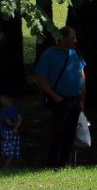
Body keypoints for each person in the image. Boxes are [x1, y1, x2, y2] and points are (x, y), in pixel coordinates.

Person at [33, 26, 86, 168]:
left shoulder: (75, 53)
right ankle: (53, 162)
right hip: (59, 100)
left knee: (71, 132)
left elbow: (82, 75)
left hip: (75, 99)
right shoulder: (49, 54)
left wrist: (82, 99)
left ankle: (64, 162)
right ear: (63, 38)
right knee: (58, 131)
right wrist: (54, 96)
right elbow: (40, 77)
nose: (75, 40)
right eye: (72, 38)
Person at [0, 95, 21, 170]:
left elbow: (8, 122)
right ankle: (12, 167)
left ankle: (6, 167)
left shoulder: (6, 110)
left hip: (7, 132)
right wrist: (16, 127)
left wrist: (13, 125)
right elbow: (20, 119)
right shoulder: (15, 108)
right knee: (15, 149)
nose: (1, 100)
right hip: (15, 132)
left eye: (2, 98)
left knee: (9, 150)